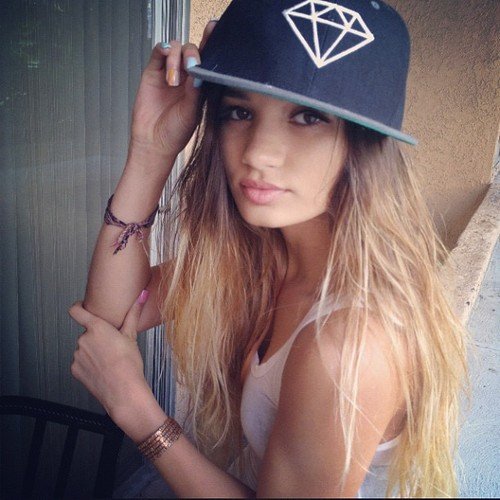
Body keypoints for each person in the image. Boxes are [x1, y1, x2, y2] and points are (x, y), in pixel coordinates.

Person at [69, 0, 468, 497]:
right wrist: (152, 150)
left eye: (307, 117)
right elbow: (113, 311)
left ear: (362, 146)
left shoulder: (349, 342)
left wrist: (136, 409)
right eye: (239, 112)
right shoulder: (263, 260)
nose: (257, 153)